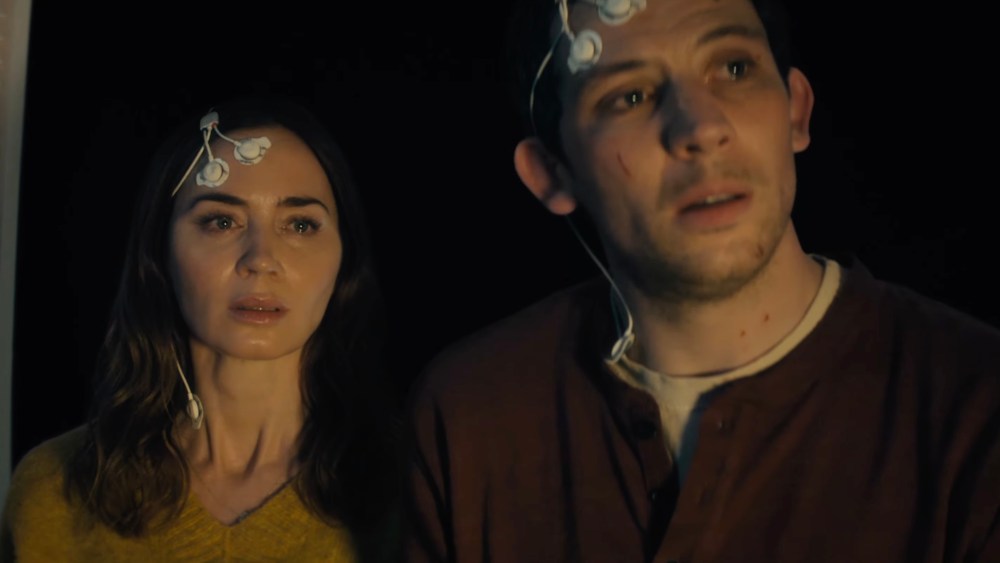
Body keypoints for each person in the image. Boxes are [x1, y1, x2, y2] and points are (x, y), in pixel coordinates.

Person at [402, 0, 1000, 561]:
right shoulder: (471, 416)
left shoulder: (975, 408)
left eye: (735, 68)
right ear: (551, 172)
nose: (701, 127)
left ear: (795, 110)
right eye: (630, 96)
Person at [1, 98, 400, 562]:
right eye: (222, 221)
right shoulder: (55, 489)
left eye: (300, 224)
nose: (261, 260)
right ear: (161, 252)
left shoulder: (418, 481)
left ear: (344, 258)